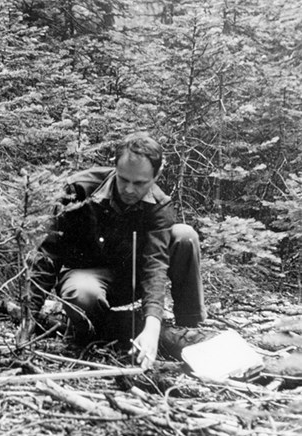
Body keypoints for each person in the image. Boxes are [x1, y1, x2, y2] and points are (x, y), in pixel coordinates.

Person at [25, 132, 206, 369]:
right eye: (124, 180)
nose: (129, 190)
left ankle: (188, 330)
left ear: (157, 174)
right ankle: (95, 331)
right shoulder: (79, 190)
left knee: (185, 236)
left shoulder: (160, 206)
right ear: (115, 167)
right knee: (83, 293)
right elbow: (49, 253)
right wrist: (29, 314)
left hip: (131, 280)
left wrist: (152, 327)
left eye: (140, 183)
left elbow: (155, 265)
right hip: (85, 278)